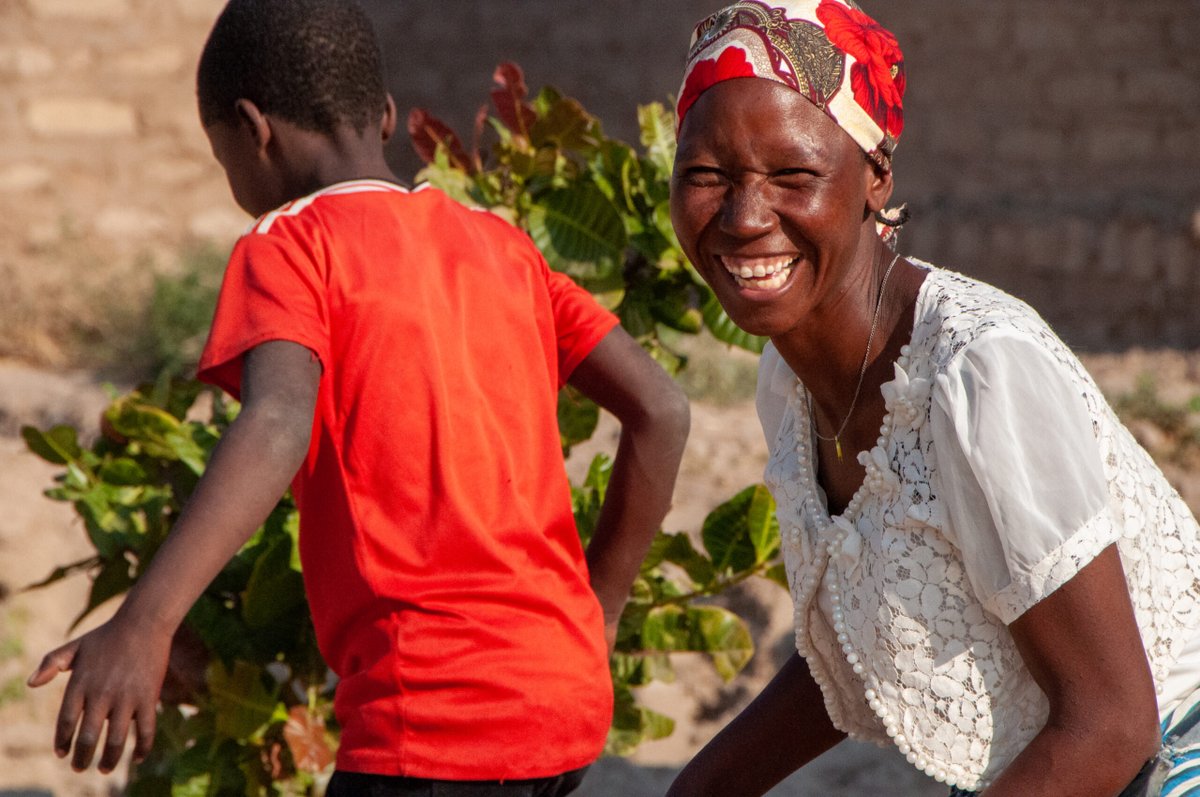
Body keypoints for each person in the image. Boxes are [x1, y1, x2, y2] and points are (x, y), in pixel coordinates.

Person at [26, 1, 691, 794]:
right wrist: (600, 612)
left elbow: (276, 421)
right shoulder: (504, 246)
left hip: (431, 720)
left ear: (251, 130)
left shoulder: (292, 245)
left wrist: (146, 621)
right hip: (564, 711)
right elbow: (663, 410)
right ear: (382, 116)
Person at [663, 2, 1200, 795]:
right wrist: (703, 786)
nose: (745, 218)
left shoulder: (977, 372)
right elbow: (870, 629)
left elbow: (1114, 721)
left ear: (876, 177)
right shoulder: (790, 384)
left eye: (793, 175)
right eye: (707, 175)